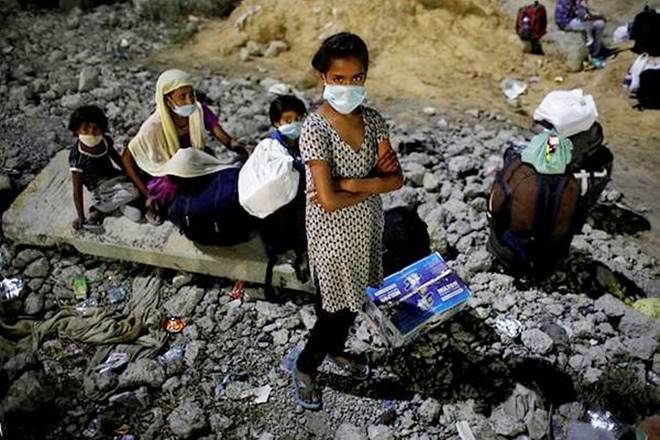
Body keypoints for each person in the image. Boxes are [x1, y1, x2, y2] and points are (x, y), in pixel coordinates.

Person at [290, 32, 403, 410]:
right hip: (331, 236)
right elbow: (326, 199)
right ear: (323, 77)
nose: (348, 86)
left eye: (356, 78)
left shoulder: (372, 121)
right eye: (339, 79)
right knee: (331, 310)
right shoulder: (315, 128)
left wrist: (353, 183)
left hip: (366, 228)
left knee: (352, 302)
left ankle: (336, 351)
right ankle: (306, 366)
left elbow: (397, 179)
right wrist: (374, 184)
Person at [122, 68, 248, 225]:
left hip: (194, 161)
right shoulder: (153, 125)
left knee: (224, 175)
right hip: (167, 170)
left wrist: (244, 149)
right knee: (168, 189)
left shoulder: (199, 111)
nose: (189, 101)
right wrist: (146, 193)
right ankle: (144, 204)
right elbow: (127, 156)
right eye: (182, 96)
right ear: (168, 100)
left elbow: (225, 139)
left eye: (191, 94)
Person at [68, 105, 141, 231]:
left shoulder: (105, 141)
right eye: (85, 129)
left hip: (114, 177)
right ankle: (98, 208)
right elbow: (77, 189)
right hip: (99, 186)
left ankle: (117, 205)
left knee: (139, 183)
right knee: (133, 191)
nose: (91, 133)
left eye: (95, 129)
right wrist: (81, 216)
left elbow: (118, 159)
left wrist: (131, 173)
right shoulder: (78, 156)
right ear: (76, 131)